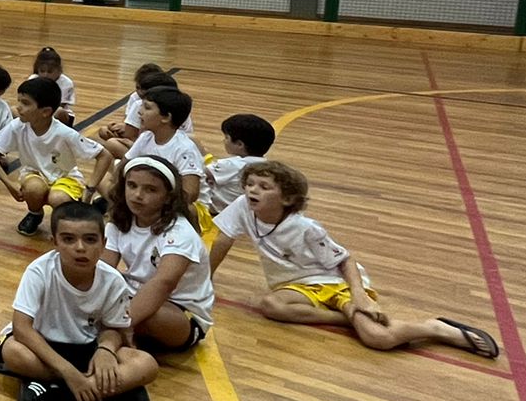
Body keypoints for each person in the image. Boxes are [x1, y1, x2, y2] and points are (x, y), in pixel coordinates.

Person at [211, 161, 499, 358]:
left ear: (287, 199)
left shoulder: (306, 229)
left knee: (379, 339)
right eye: (250, 184)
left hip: (335, 283)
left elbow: (345, 261)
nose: (252, 190)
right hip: (298, 287)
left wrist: (359, 297)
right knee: (271, 305)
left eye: (264, 186)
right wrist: (205, 281)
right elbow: (222, 241)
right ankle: (350, 319)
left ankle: (435, 328)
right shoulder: (242, 207)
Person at [0, 203, 157, 401]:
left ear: (103, 243)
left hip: (87, 348)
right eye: (68, 239)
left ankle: (51, 394)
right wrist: (68, 372)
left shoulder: (113, 280)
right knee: (13, 352)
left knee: (146, 364)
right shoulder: (39, 271)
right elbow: (22, 329)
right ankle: (111, 392)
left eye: (90, 239)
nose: (80, 247)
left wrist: (106, 349)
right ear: (55, 243)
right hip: (42, 346)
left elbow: (114, 328)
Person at [103, 154, 213, 352]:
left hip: (180, 311)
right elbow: (103, 269)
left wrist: (123, 321)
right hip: (135, 294)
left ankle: (115, 336)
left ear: (168, 197)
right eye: (132, 185)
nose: (137, 195)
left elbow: (164, 283)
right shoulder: (120, 221)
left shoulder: (180, 232)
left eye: (150, 189)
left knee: (148, 317)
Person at [0, 75, 112, 235]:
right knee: (33, 189)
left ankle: (66, 218)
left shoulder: (65, 134)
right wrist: (9, 184)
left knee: (57, 198)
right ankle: (35, 214)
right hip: (34, 174)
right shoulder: (17, 127)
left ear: (45, 112)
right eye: (19, 102)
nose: (18, 108)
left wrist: (90, 188)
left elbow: (104, 155)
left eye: (25, 103)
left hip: (66, 178)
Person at [202, 112, 275, 216]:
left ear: (240, 144)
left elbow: (200, 173)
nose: (224, 141)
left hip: (216, 210)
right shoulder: (265, 165)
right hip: (242, 211)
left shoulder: (232, 164)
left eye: (226, 138)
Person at [31, 46, 76, 123]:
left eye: (50, 72)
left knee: (59, 112)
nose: (45, 75)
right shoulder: (33, 79)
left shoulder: (66, 83)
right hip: (37, 112)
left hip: (57, 114)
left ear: (59, 70)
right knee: (14, 110)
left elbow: (60, 105)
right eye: (42, 71)